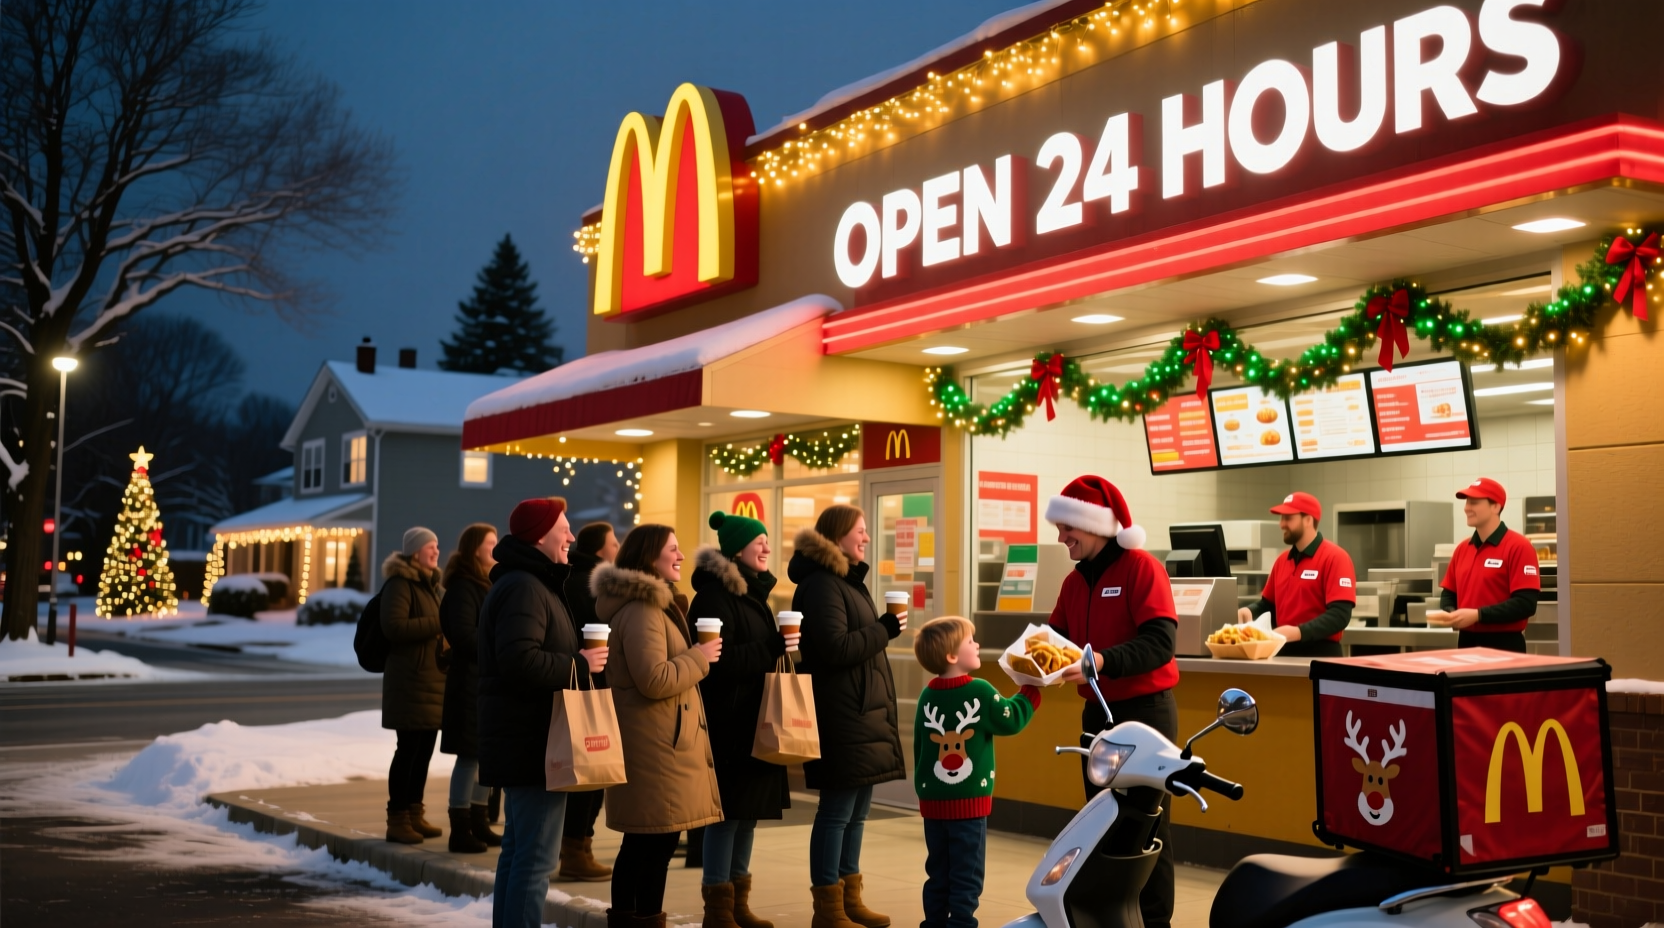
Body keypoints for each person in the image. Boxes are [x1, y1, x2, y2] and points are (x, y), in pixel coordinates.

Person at [1043, 476, 1179, 928]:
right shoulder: (1073, 582)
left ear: (1094, 524)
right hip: (1097, 717)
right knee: (1101, 825)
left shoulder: (1141, 568)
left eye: (1067, 528)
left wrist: (1100, 660)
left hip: (1146, 716)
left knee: (1145, 828)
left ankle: (1153, 921)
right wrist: (1033, 661)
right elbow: (1057, 640)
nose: (1061, 537)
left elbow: (1160, 643)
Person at [478, 498, 609, 928]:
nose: (571, 536)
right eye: (564, 529)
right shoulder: (524, 587)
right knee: (534, 860)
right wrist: (579, 664)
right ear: (539, 535)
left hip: (528, 739)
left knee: (518, 853)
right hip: (532, 743)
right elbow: (519, 660)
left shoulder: (531, 582)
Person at [593, 524, 723, 928]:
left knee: (647, 845)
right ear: (650, 557)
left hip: (659, 742)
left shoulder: (653, 605)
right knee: (651, 846)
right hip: (654, 747)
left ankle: (635, 919)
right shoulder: (643, 610)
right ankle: (642, 920)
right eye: (673, 548)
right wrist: (700, 657)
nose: (681, 556)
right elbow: (654, 680)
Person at [791, 504, 906, 928]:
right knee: (836, 811)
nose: (867, 537)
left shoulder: (848, 582)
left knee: (857, 811)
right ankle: (828, 905)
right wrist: (886, 628)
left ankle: (848, 895)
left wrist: (881, 628)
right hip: (839, 713)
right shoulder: (823, 585)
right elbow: (835, 649)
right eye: (860, 530)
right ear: (838, 536)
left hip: (859, 712)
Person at [691, 511, 801, 928]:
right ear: (738, 549)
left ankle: (737, 902)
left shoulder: (753, 594)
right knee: (729, 816)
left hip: (755, 719)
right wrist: (775, 644)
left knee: (749, 814)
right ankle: (717, 908)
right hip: (730, 722)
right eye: (760, 542)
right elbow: (718, 663)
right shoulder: (715, 598)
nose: (768, 549)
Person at [911, 616, 1039, 928]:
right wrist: (1032, 691)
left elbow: (920, 749)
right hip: (969, 806)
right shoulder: (979, 691)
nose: (977, 644)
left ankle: (934, 923)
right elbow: (1010, 718)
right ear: (952, 656)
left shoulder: (927, 696)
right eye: (970, 641)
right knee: (967, 874)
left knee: (938, 872)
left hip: (933, 806)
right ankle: (962, 924)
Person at [558, 521, 621, 882]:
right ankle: (575, 850)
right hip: (588, 686)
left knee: (593, 773)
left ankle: (580, 848)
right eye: (614, 542)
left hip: (591, 684)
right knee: (590, 773)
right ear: (601, 549)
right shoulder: (587, 583)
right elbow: (595, 629)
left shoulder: (583, 578)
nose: (618, 547)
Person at [381, 526, 447, 845]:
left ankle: (415, 814)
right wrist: (439, 624)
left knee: (423, 753)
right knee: (407, 751)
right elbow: (394, 627)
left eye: (436, 546)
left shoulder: (431, 585)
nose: (436, 551)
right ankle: (397, 819)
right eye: (430, 547)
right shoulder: (400, 584)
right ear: (414, 551)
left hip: (431, 682)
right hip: (409, 682)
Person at [439, 522, 502, 853]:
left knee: (484, 755)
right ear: (474, 548)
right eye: (490, 542)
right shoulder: (465, 587)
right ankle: (459, 828)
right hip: (469, 684)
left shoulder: (485, 584)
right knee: (469, 756)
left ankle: (479, 822)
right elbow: (464, 636)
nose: (495, 546)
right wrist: (499, 645)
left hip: (485, 682)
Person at [1427, 477, 1541, 652]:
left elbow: (1525, 604)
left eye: (1474, 502)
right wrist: (1451, 613)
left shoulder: (1519, 547)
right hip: (1466, 643)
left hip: (1505, 646)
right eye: (1466, 502)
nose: (1466, 508)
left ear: (1496, 506)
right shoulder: (1462, 549)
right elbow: (1449, 593)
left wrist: (1478, 615)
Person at [1237, 492, 1356, 658]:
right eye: (1281, 518)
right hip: (1279, 653)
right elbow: (1268, 605)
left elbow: (1340, 616)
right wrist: (1250, 612)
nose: (1281, 524)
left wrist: (1299, 632)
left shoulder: (1335, 558)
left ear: (1308, 520)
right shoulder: (1282, 561)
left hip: (1321, 655)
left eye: (1288, 518)